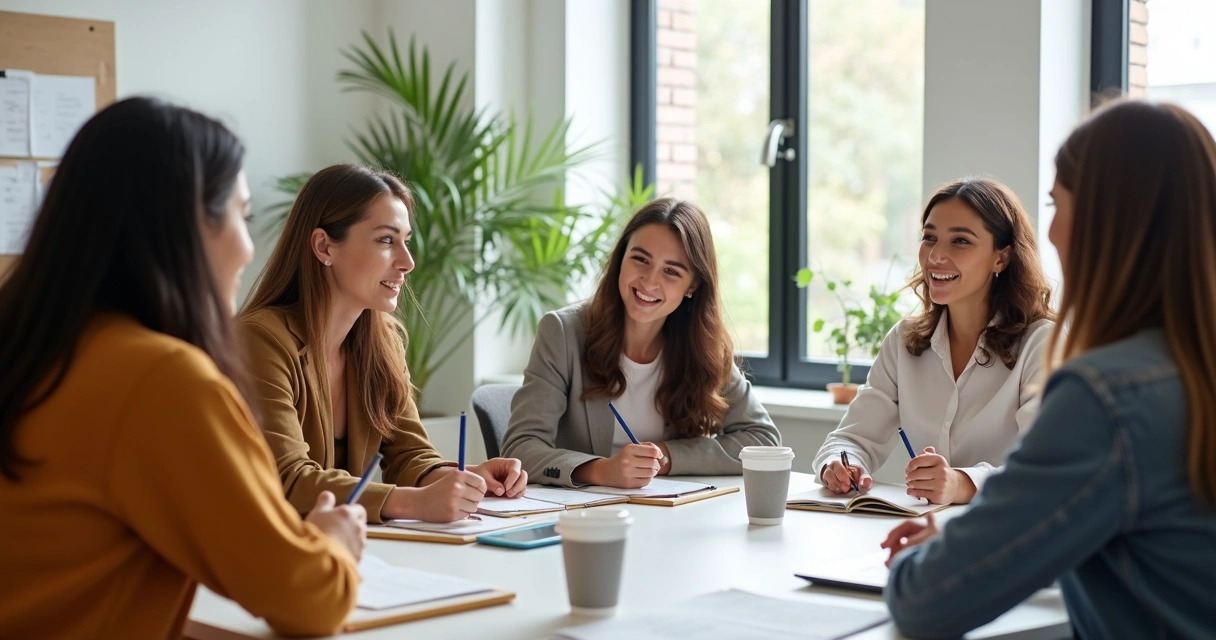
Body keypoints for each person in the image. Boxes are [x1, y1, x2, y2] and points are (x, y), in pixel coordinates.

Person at [0, 97, 362, 639]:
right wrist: (333, 542)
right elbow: (309, 599)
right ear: (188, 226)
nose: (249, 248)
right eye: (242, 217)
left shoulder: (32, 347)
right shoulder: (161, 379)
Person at [882, 100, 1216, 638]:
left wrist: (936, 557)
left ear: (1107, 220)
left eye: (1057, 203)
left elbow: (926, 601)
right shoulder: (1187, 370)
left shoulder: (1102, 396)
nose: (1052, 231)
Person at [240, 164, 526, 524]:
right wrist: (413, 503)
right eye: (386, 240)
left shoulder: (383, 341)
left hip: (340, 544)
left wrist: (460, 480)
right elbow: (286, 479)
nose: (408, 262)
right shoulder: (259, 340)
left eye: (406, 240)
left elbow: (410, 455)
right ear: (324, 246)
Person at [502, 197, 780, 488]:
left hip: (668, 509)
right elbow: (519, 448)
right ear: (621, 257)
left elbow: (764, 441)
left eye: (671, 271)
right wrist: (600, 470)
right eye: (640, 259)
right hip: (584, 510)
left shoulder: (703, 347)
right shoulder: (563, 332)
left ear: (693, 285)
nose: (648, 282)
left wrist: (666, 457)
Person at [813, 177, 1055, 505]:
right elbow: (852, 438)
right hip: (925, 527)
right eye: (929, 238)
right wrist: (841, 464)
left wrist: (962, 483)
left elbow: (1046, 465)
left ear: (1001, 258)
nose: (936, 255)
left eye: (961, 241)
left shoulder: (1041, 343)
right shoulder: (904, 341)